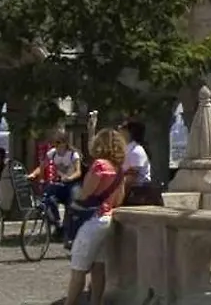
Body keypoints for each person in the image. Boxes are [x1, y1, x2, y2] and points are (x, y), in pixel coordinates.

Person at [65, 127, 130, 305]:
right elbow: (119, 199)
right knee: (98, 268)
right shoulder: (119, 170)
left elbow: (86, 193)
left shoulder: (100, 165)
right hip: (107, 219)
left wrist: (77, 194)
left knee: (78, 270)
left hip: (92, 220)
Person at [27, 129, 82, 221]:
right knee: (51, 196)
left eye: (58, 143)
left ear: (64, 143)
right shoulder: (52, 153)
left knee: (71, 202)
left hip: (72, 183)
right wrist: (33, 174)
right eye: (54, 143)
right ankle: (56, 222)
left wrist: (70, 178)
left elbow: (78, 172)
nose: (56, 146)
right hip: (61, 183)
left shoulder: (73, 154)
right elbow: (42, 167)